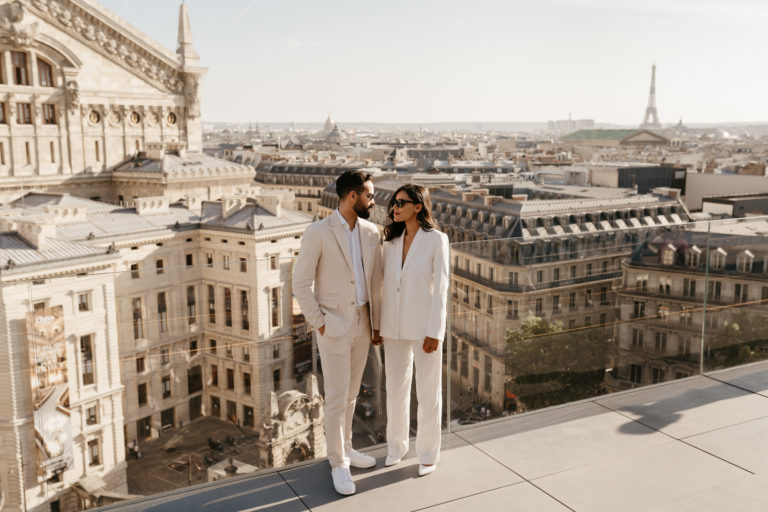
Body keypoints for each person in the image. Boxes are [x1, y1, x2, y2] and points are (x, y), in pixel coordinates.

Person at [293, 170, 382, 496]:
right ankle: (337, 462)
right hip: (333, 324)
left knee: (351, 394)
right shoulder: (318, 231)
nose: (374, 201)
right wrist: (320, 322)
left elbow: (375, 281)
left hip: (362, 321)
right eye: (369, 195)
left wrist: (376, 324)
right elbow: (300, 283)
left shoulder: (371, 232)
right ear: (351, 196)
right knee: (335, 398)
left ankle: (346, 448)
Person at [378, 183, 449, 477]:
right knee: (394, 390)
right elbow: (384, 286)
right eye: (394, 203)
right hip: (393, 326)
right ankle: (396, 447)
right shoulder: (390, 242)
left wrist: (436, 331)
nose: (395, 207)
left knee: (429, 392)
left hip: (424, 327)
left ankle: (429, 453)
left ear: (418, 206)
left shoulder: (437, 240)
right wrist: (378, 325)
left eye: (401, 202)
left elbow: (442, 287)